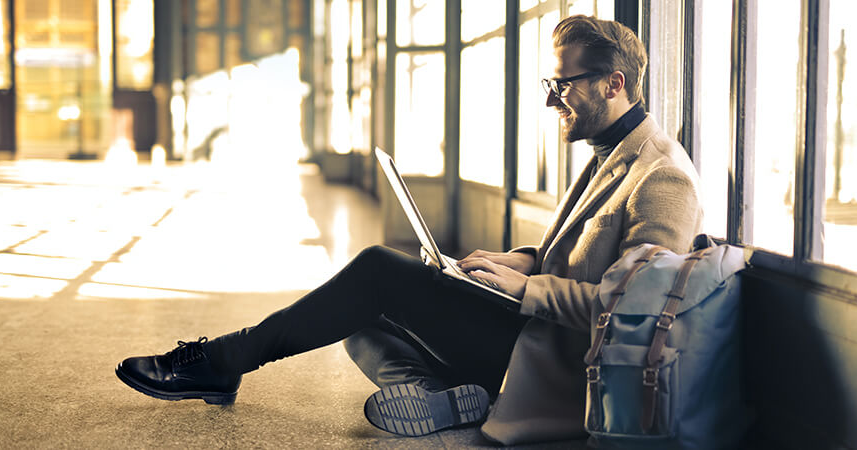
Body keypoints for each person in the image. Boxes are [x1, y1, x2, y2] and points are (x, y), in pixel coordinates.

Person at [115, 15, 702, 445]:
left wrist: (523, 290)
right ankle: (441, 399)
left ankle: (223, 360)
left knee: (375, 270)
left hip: (552, 361)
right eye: (550, 87)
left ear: (614, 82)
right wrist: (520, 260)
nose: (553, 100)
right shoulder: (612, 151)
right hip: (527, 332)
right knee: (354, 324)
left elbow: (635, 315)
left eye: (563, 85)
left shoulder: (661, 177)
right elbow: (577, 256)